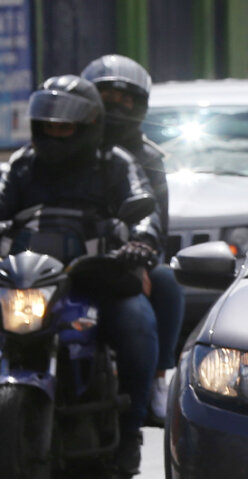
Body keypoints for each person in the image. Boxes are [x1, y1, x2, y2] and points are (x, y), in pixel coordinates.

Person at [0, 75, 159, 476]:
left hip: (97, 276)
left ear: (88, 127)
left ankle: (130, 427)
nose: (55, 133)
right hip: (31, 282)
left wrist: (141, 240)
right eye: (49, 125)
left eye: (65, 126)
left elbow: (144, 206)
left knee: (137, 323)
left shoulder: (117, 163)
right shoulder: (21, 165)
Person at [82, 54, 183, 424]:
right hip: (61, 256)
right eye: (105, 96)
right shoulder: (55, 153)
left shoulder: (142, 161)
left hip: (121, 259)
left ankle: (154, 382)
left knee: (165, 283)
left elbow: (154, 218)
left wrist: (139, 251)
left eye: (126, 100)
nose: (115, 107)